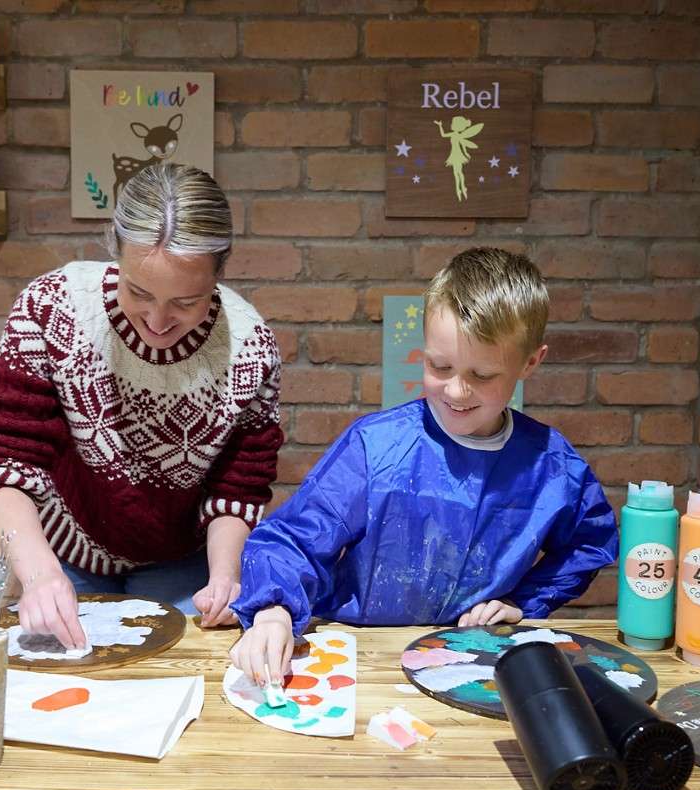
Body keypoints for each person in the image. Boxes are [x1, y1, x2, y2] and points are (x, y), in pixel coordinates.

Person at [229, 247, 618, 682]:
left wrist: (526, 602)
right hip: (362, 658)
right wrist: (273, 612)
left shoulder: (552, 467)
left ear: (530, 362)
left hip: (471, 666)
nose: (456, 391)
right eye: (440, 366)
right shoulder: (374, 447)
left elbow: (588, 543)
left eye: (482, 375)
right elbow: (294, 538)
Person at [0, 163, 283, 649]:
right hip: (61, 551)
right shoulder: (53, 309)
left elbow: (238, 485)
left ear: (220, 271)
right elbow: (4, 462)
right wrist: (38, 575)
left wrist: (224, 576)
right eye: (138, 292)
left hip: (182, 561)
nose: (158, 320)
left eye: (187, 301)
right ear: (116, 250)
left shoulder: (249, 347)